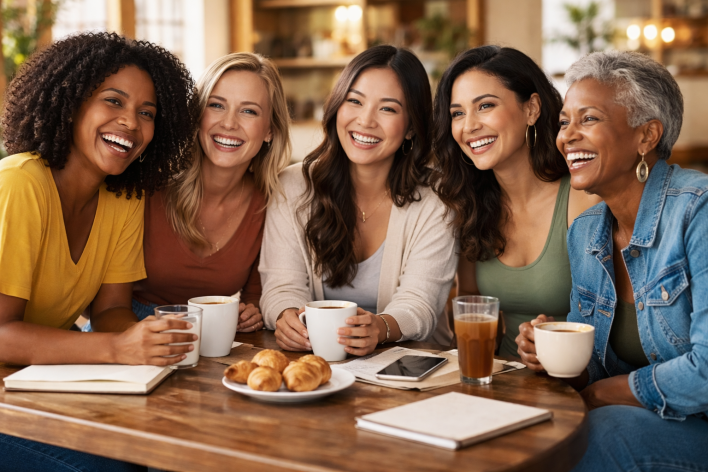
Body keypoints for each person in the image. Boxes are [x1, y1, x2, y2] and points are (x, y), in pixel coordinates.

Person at [0, 33, 198, 471]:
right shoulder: (19, 184)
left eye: (147, 113)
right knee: (110, 465)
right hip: (9, 404)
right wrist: (117, 350)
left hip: (31, 387)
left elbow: (110, 310)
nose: (131, 122)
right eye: (114, 101)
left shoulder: (123, 197)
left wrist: (145, 345)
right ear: (71, 104)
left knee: (156, 445)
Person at [516, 51, 708, 471]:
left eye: (589, 119)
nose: (567, 136)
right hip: (638, 420)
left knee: (601, 433)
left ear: (646, 136)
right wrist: (553, 353)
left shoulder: (699, 212)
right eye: (565, 121)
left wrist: (610, 393)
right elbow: (596, 373)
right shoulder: (586, 233)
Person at [260, 45, 457, 355]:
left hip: (414, 371)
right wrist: (286, 317)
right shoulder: (293, 187)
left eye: (388, 108)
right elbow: (282, 285)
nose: (365, 120)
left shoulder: (437, 199)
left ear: (410, 128)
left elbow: (421, 302)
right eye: (354, 101)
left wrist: (380, 327)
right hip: (318, 363)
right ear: (338, 106)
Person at [91, 53, 290, 333]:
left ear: (270, 129)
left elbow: (255, 298)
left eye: (249, 111)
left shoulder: (271, 204)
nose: (229, 123)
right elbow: (106, 308)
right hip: (126, 331)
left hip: (208, 338)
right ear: (198, 116)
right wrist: (144, 338)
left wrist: (249, 313)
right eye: (217, 105)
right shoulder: (148, 185)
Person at [431, 46, 600, 357]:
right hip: (505, 382)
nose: (469, 126)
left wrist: (554, 342)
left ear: (531, 109)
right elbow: (470, 299)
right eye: (457, 113)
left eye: (485, 106)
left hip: (578, 383)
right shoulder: (472, 205)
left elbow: (607, 320)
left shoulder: (583, 199)